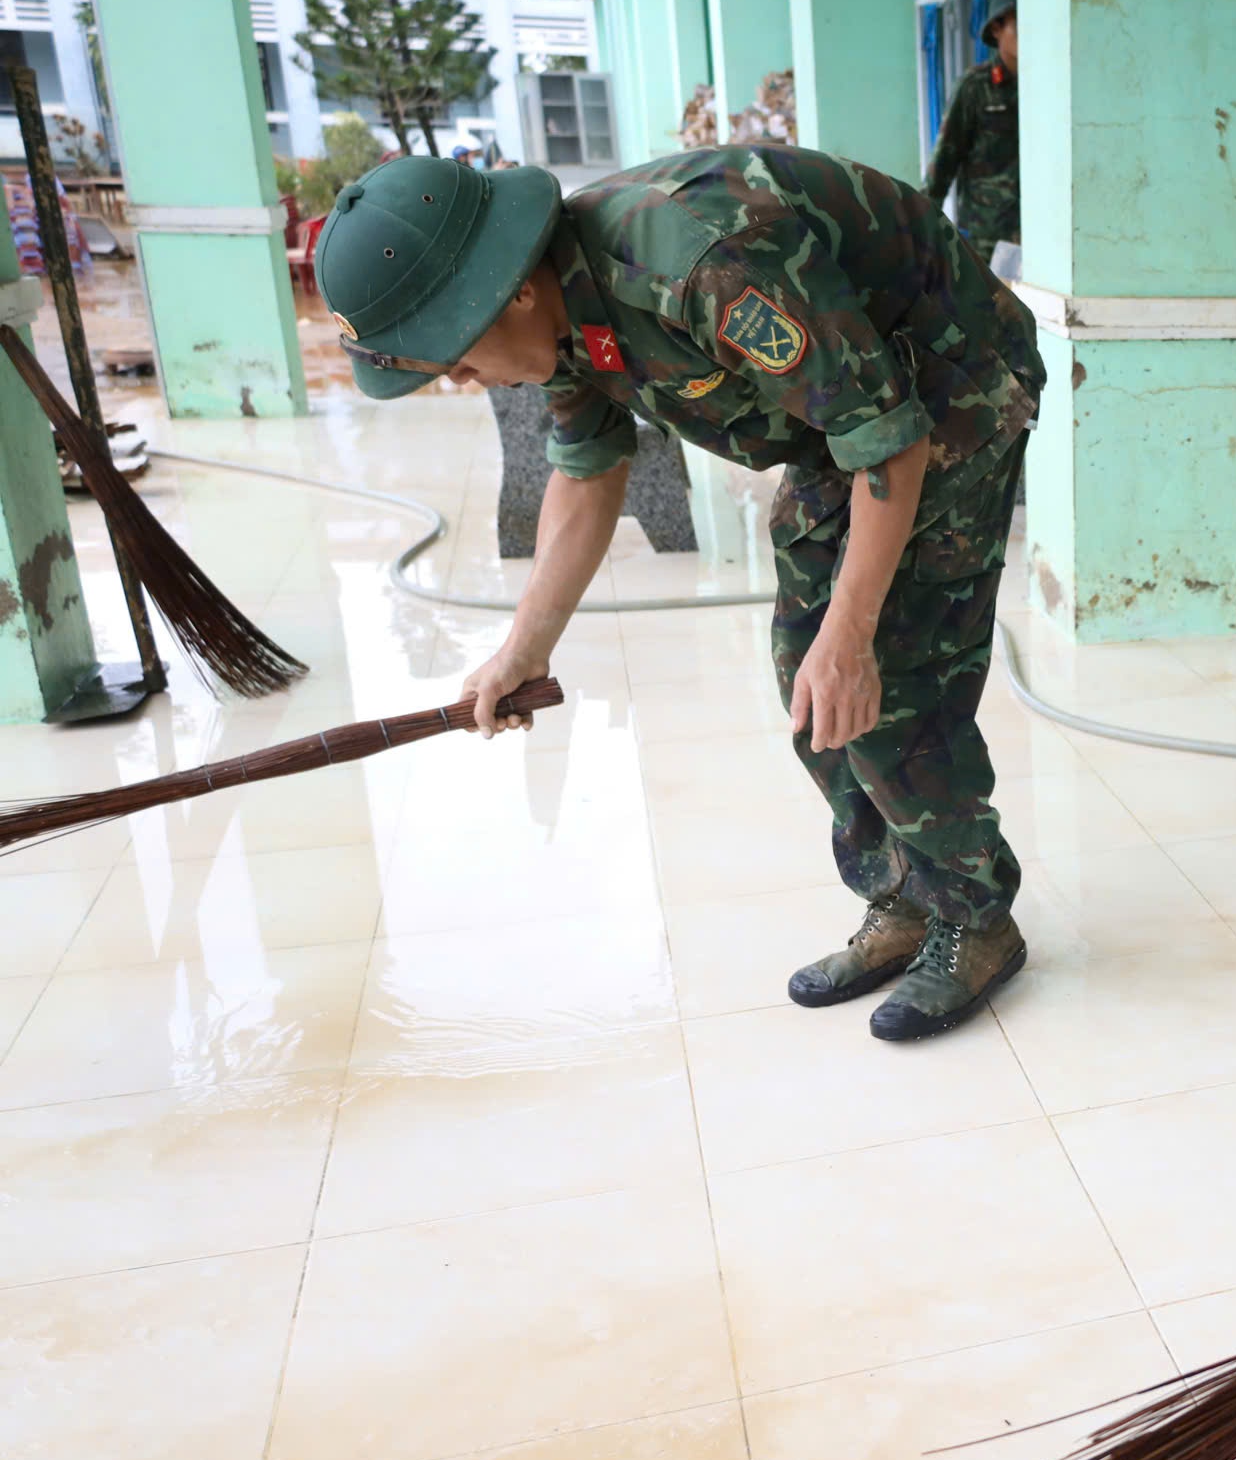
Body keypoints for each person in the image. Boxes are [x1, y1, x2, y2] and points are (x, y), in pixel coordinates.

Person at [314, 146, 1044, 1042]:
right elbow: (587, 475)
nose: (465, 384)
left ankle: (975, 922)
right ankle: (901, 898)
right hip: (845, 421)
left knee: (884, 682)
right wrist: (522, 648)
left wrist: (852, 631)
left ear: (512, 292)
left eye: (457, 363)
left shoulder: (701, 265)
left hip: (951, 387)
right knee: (807, 685)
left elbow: (889, 439)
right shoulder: (560, 312)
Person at [925, 0, 1021, 253]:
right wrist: (920, 229)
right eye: (1019, 24)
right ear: (997, 29)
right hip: (988, 236)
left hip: (1039, 232)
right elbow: (944, 161)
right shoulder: (974, 86)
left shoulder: (1046, 83)